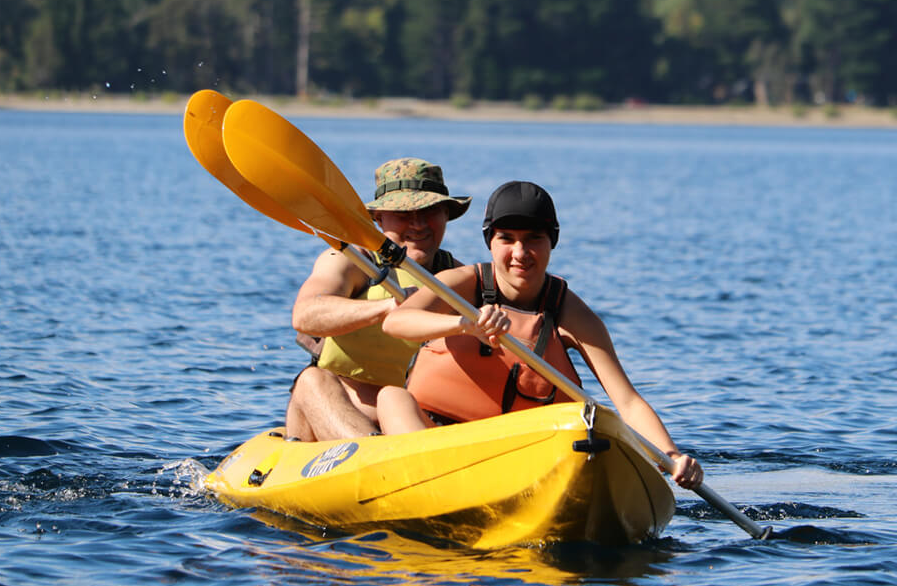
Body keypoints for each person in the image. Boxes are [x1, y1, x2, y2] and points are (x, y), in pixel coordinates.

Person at [377, 181, 704, 490]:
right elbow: (396, 323)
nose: (520, 252)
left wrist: (671, 456)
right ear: (490, 242)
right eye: (506, 238)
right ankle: (430, 485)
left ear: (552, 243)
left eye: (533, 238)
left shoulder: (571, 312)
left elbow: (627, 401)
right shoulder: (463, 283)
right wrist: (465, 324)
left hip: (522, 455)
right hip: (437, 443)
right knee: (392, 397)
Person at [285, 158, 470, 441]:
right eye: (403, 213)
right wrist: (389, 307)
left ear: (446, 214)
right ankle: (380, 460)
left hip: (410, 415)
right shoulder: (351, 261)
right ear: (379, 218)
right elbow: (305, 314)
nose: (418, 224)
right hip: (339, 407)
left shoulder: (460, 277)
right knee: (311, 381)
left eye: (430, 211)